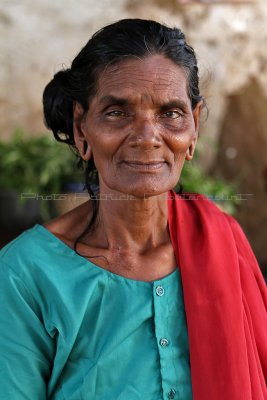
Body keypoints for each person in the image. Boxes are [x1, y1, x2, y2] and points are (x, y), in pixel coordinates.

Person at [0, 19, 266, 400]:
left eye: (170, 113)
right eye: (117, 112)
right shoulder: (24, 276)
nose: (146, 138)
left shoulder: (224, 241)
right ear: (81, 128)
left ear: (193, 130)